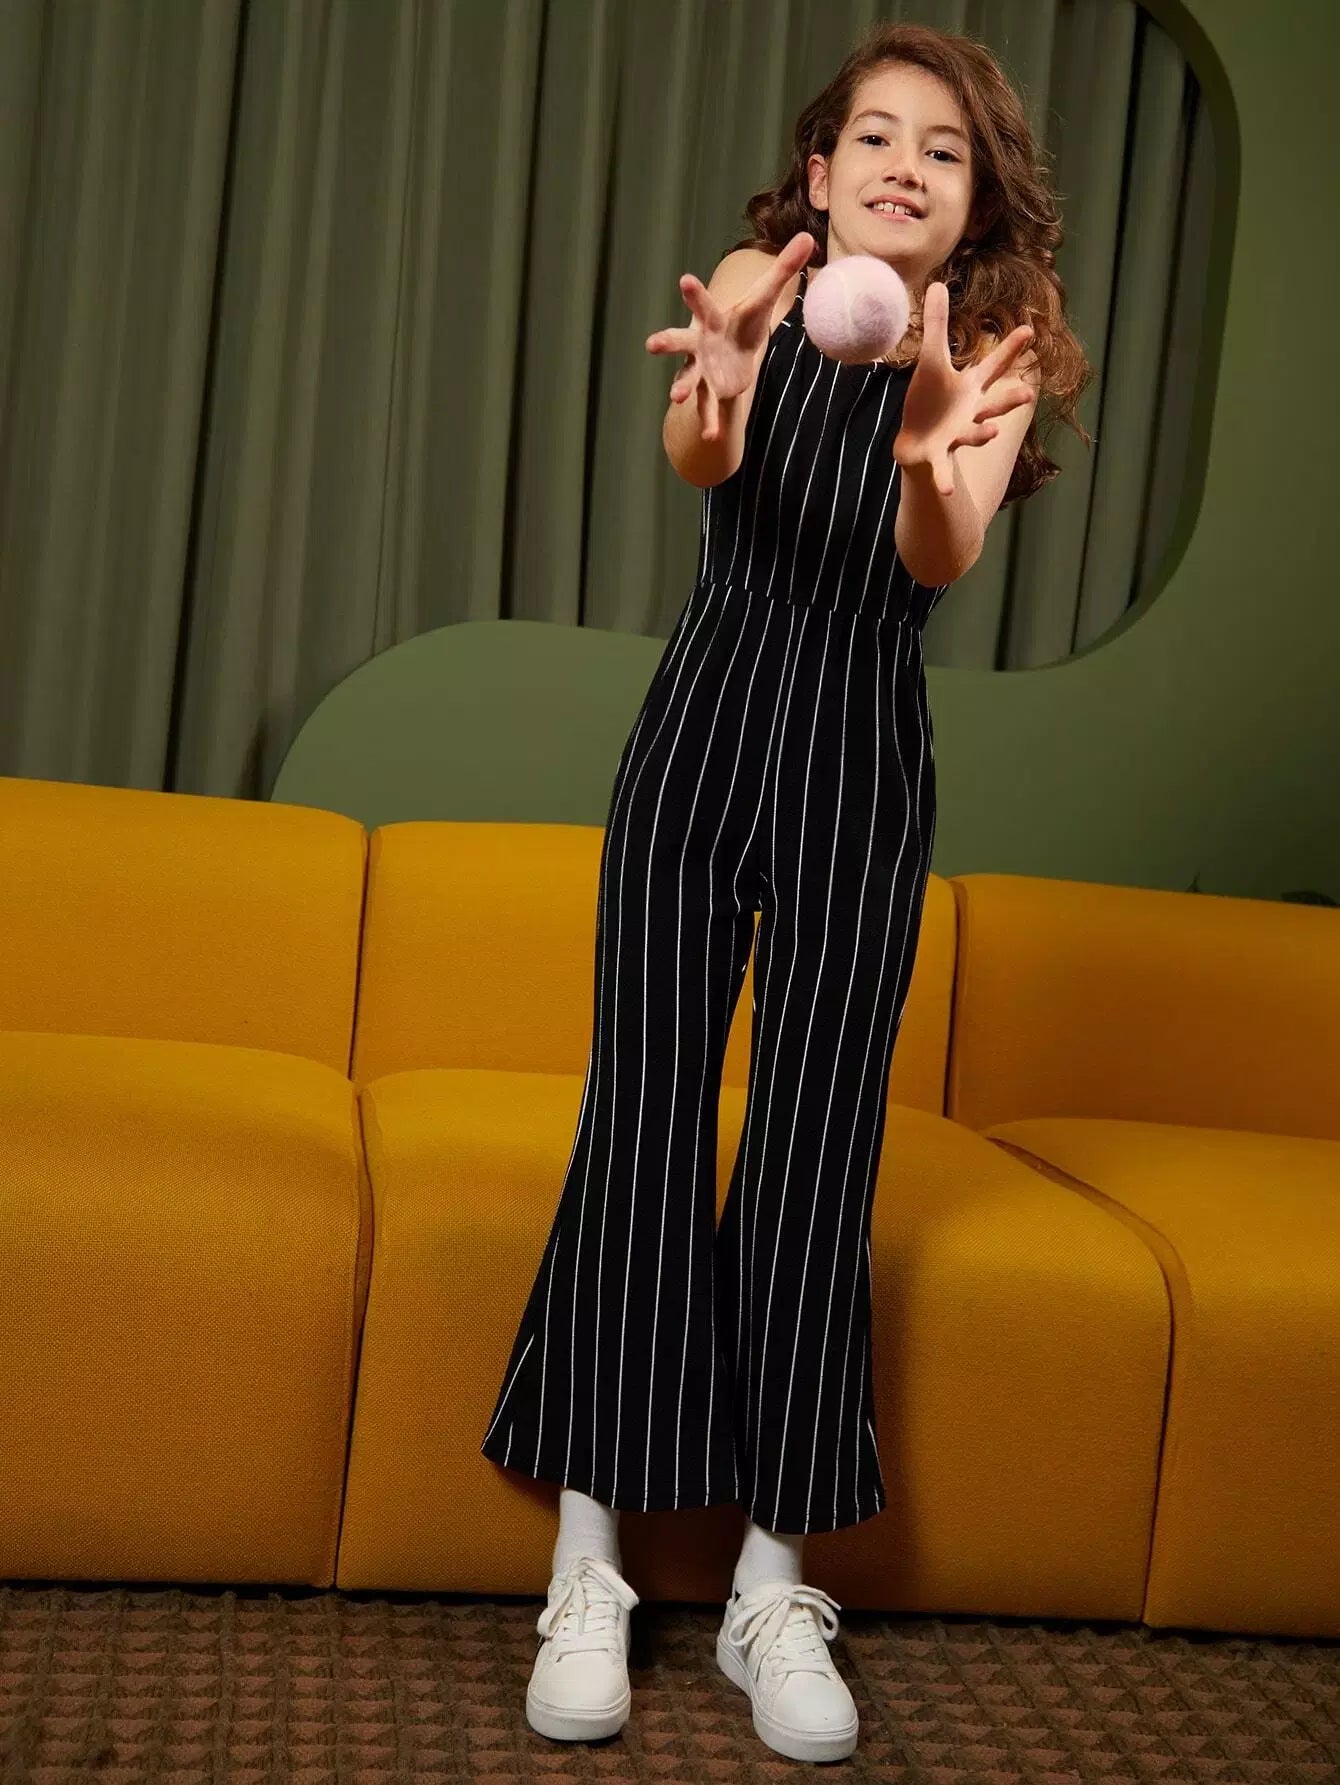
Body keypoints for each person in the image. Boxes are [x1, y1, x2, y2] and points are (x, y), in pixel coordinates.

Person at [481, 19, 1094, 1764]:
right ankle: (590, 1561)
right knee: (644, 1123)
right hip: (699, 737)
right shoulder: (763, 283)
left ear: (976, 207)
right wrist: (727, 375)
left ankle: (771, 1580)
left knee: (818, 1154)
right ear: (821, 173)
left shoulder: (997, 356)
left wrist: (927, 448)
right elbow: (702, 461)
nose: (906, 163)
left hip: (859, 773)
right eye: (875, 136)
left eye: (946, 150)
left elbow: (937, 557)